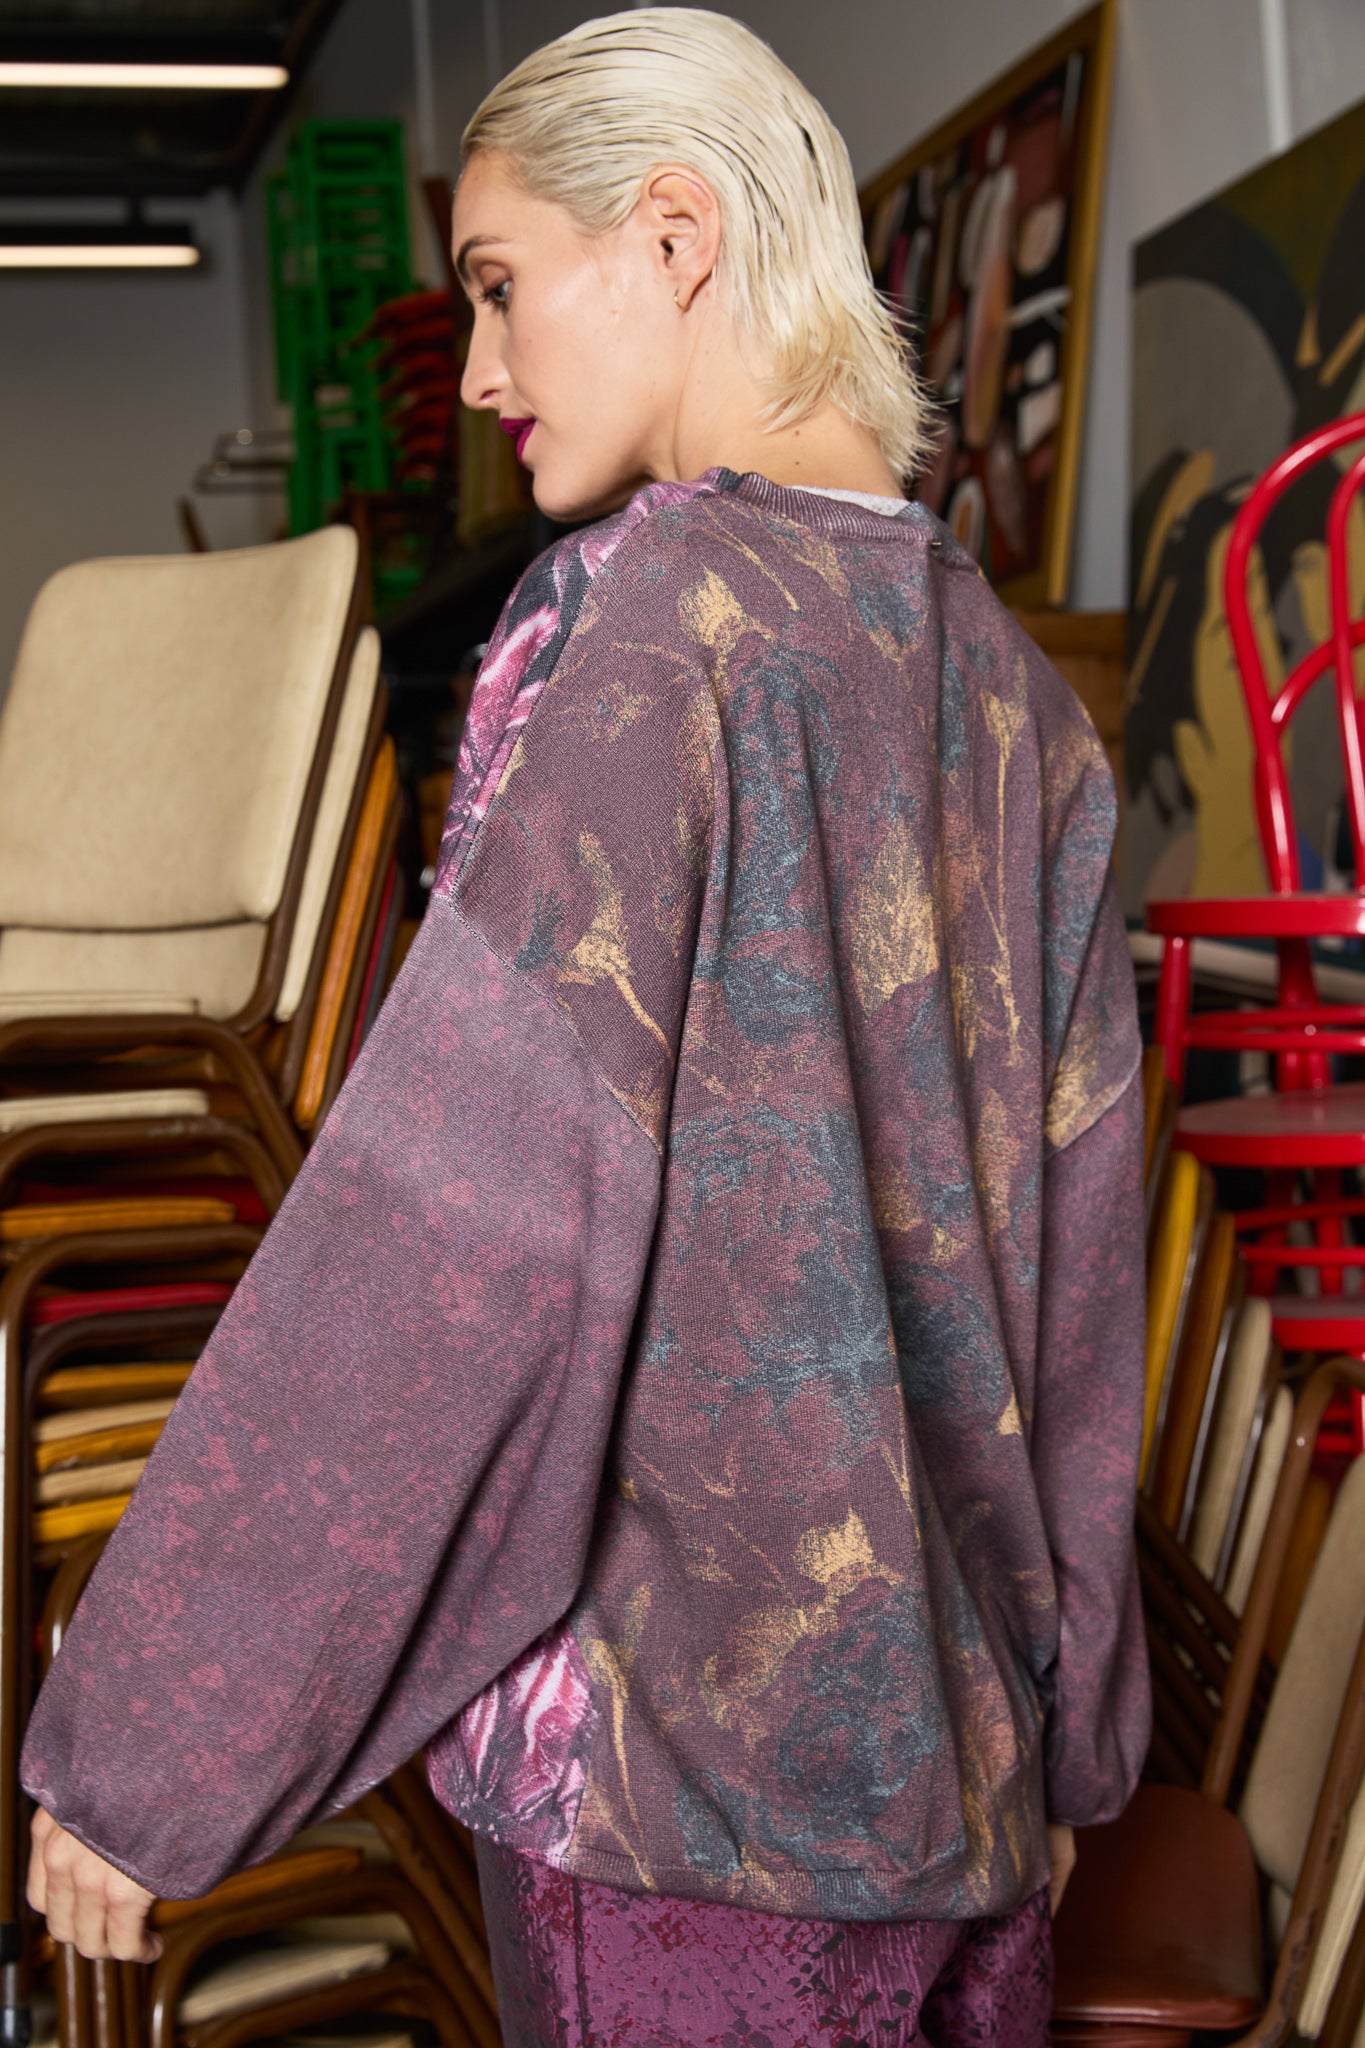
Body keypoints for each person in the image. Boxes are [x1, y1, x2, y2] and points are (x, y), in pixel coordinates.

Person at [23, 12, 1148, 2042]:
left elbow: (460, 1230)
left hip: (679, 1814)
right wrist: (1068, 1752)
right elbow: (1076, 1308)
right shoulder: (1025, 711)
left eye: (495, 284)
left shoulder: (645, 632)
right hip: (960, 1788)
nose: (475, 371)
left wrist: (160, 1733)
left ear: (673, 235)